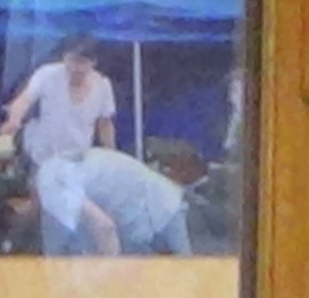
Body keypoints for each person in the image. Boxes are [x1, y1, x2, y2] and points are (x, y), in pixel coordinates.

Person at [19, 147, 192, 255]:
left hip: (158, 212)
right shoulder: (55, 170)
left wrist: (110, 282)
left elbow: (104, 227)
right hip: (159, 205)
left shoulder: (50, 188)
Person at [0, 36, 117, 169]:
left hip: (76, 160)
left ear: (93, 62)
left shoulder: (103, 85)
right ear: (64, 57)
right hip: (40, 156)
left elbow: (105, 124)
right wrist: (14, 119)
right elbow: (24, 99)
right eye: (72, 60)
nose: (76, 68)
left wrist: (111, 155)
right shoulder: (47, 74)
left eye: (82, 62)